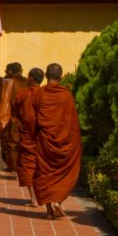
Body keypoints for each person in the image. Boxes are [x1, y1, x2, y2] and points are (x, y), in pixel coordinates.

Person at [21, 62, 82, 220]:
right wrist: (72, 140)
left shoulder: (38, 94)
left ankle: (49, 211)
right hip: (63, 142)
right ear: (60, 77)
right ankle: (58, 202)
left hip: (44, 141)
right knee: (62, 173)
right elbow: (71, 122)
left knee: (44, 173)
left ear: (47, 76)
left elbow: (29, 117)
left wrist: (34, 133)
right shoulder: (66, 95)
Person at [14, 66, 44, 207]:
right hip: (44, 137)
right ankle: (46, 197)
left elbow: (15, 110)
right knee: (43, 166)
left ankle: (34, 199)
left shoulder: (22, 94)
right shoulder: (46, 94)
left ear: (31, 78)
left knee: (28, 165)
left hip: (28, 137)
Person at [0, 62, 27, 171]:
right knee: (23, 141)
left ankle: (12, 166)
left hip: (8, 117)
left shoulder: (4, 82)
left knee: (9, 143)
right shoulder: (27, 82)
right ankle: (20, 165)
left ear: (9, 71)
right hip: (25, 117)